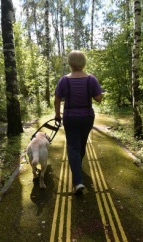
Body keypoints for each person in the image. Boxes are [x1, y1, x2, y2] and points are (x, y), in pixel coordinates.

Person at [54, 50, 103, 195]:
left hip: (70, 117)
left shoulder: (64, 80)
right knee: (81, 144)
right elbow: (98, 98)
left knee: (73, 146)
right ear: (83, 62)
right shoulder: (91, 79)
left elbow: (57, 100)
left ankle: (78, 181)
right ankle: (78, 175)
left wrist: (57, 115)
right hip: (87, 117)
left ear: (70, 63)